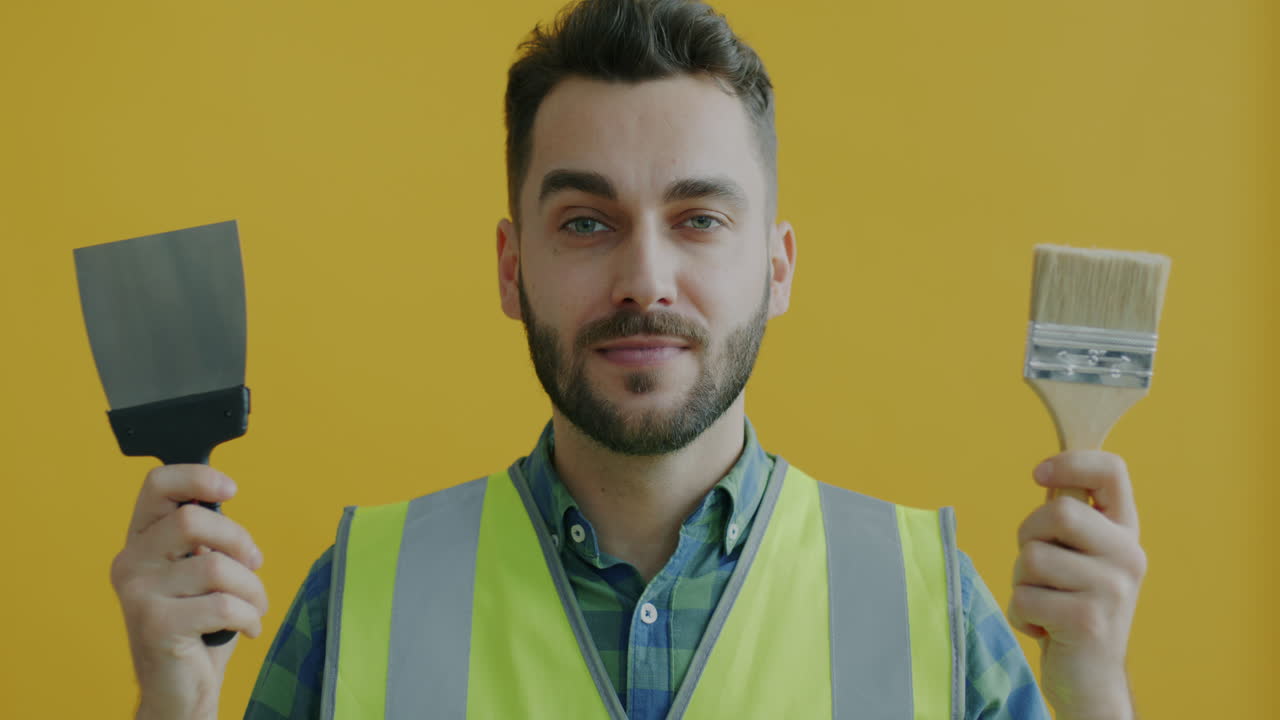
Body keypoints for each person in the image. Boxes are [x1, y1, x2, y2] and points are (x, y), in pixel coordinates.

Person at [109, 0, 1148, 718]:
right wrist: (176, 705)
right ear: (511, 270)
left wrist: (1093, 697)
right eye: (585, 223)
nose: (644, 278)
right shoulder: (359, 601)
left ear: (776, 268)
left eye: (697, 218)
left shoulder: (932, 610)